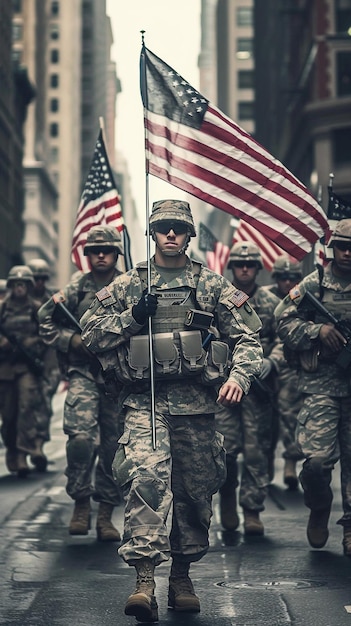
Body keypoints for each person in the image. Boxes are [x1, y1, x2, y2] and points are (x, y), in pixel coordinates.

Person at [80, 199, 263, 623]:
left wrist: (239, 377)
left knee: (193, 496)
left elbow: (249, 337)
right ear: (152, 233)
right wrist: (131, 316)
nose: (170, 235)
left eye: (178, 228)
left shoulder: (210, 285)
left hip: (197, 408)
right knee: (145, 479)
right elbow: (89, 334)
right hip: (144, 403)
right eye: (162, 227)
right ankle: (144, 581)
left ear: (189, 235)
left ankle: (181, 576)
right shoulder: (130, 285)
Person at [38, 225, 124, 541]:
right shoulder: (76, 288)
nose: (100, 255)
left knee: (115, 448)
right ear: (87, 256)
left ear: (116, 253)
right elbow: (44, 320)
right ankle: (81, 502)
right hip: (84, 374)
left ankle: (105, 514)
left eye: (107, 250)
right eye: (94, 251)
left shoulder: (129, 286)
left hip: (118, 377)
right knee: (80, 439)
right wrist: (72, 340)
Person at [274, 218, 351, 557]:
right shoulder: (316, 283)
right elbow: (283, 319)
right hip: (321, 386)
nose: (348, 253)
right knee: (317, 464)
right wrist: (315, 332)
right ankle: (319, 506)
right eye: (343, 247)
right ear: (332, 248)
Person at [215, 241, 284, 536]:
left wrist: (273, 361)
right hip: (226, 387)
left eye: (250, 265)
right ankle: (228, 498)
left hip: (260, 390)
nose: (245, 269)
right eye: (240, 265)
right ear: (232, 268)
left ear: (258, 269)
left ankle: (253, 509)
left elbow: (284, 339)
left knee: (257, 451)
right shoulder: (221, 297)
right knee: (226, 451)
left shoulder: (269, 303)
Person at [0, 265, 47, 477]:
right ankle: (12, 450)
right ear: (11, 286)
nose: (20, 288)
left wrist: (31, 343)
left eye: (23, 284)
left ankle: (22, 454)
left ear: (28, 286)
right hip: (6, 368)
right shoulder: (2, 309)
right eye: (16, 284)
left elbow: (48, 336)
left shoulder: (37, 308)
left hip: (27, 368)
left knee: (26, 409)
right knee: (8, 415)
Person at [265, 255, 304, 489]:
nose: (287, 283)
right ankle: (267, 466)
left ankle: (290, 460)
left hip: (291, 366)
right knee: (266, 421)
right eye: (283, 278)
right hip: (267, 364)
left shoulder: (305, 298)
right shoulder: (267, 298)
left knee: (291, 415)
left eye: (292, 278)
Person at [28, 258, 61, 466]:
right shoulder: (17, 299)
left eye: (42, 279)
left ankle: (37, 446)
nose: (39, 283)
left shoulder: (53, 299)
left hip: (49, 360)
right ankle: (21, 449)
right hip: (22, 360)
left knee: (43, 404)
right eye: (35, 279)